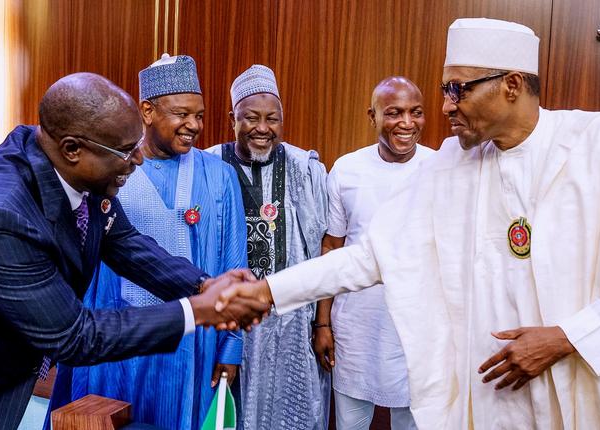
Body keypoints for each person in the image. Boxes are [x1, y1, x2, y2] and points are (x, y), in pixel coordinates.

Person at [218, 18, 600, 429]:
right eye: (446, 90)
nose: (445, 107)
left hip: (593, 392)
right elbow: (369, 257)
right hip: (497, 400)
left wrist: (569, 337)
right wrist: (267, 292)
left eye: (458, 89)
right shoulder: (452, 167)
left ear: (512, 84)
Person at [0, 72, 266, 429]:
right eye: (125, 151)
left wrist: (204, 285)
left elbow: (125, 243)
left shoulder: (78, 174)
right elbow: (74, 337)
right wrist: (199, 311)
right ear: (73, 149)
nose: (138, 160)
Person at [46, 56, 248, 429]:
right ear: (148, 110)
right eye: (182, 114)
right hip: (113, 341)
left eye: (200, 115)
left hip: (189, 344)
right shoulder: (106, 168)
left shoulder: (219, 175)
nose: (194, 125)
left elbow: (233, 262)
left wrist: (231, 347)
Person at [205, 64, 331, 430]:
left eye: (272, 118)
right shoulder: (209, 164)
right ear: (233, 119)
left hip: (290, 324)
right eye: (251, 118)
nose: (263, 128)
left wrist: (322, 322)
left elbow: (324, 248)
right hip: (227, 322)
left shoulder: (303, 167)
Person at [312, 76, 432, 430]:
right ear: (373, 116)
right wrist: (323, 322)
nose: (407, 123)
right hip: (355, 327)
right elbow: (332, 248)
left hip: (416, 328)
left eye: (416, 113)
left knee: (412, 422)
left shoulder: (440, 167)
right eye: (394, 113)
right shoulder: (347, 169)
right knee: (351, 424)